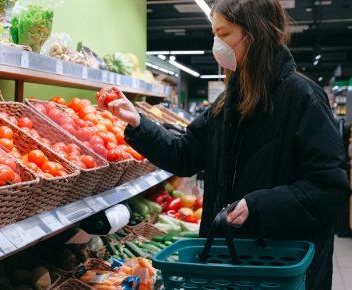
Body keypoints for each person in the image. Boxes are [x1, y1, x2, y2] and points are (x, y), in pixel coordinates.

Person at [97, 0, 350, 289]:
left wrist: (258, 206)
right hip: (231, 260)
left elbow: (330, 188)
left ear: (254, 35)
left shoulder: (303, 98)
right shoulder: (229, 101)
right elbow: (185, 155)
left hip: (281, 267)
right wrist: (138, 124)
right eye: (214, 34)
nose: (216, 44)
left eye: (224, 34)